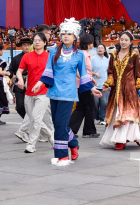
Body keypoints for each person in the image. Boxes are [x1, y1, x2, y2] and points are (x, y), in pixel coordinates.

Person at [34, 18, 95, 166]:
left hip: (68, 93)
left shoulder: (79, 54)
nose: (65, 36)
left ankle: (62, 156)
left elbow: (83, 74)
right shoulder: (53, 51)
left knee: (61, 125)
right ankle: (73, 143)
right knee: (58, 125)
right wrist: (39, 83)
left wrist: (92, 88)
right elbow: (48, 70)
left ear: (75, 37)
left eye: (69, 34)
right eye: (64, 33)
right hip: (54, 91)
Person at [100, 31, 140, 150]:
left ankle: (135, 137)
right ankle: (121, 140)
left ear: (131, 42)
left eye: (126, 40)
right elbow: (110, 72)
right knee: (118, 113)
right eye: (122, 39)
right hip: (116, 91)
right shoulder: (114, 54)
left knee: (129, 114)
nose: (123, 42)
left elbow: (137, 74)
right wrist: (107, 84)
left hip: (130, 90)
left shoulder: (134, 56)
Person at [14, 32, 54, 154]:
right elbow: (19, 71)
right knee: (33, 119)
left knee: (36, 119)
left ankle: (31, 144)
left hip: (44, 92)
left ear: (45, 43)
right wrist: (20, 79)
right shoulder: (27, 56)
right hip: (29, 92)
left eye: (39, 40)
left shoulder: (50, 56)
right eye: (35, 40)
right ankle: (51, 136)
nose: (36, 42)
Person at [69, 34, 100, 139]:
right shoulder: (84, 54)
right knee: (91, 107)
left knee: (81, 107)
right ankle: (88, 131)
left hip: (81, 83)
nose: (93, 44)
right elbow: (80, 70)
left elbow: (85, 71)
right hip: (84, 84)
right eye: (92, 42)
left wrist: (91, 78)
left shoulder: (81, 53)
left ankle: (71, 129)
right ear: (88, 43)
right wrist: (88, 81)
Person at [7, 37, 30, 119]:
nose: (27, 47)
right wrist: (10, 74)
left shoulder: (35, 57)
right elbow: (10, 70)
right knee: (20, 106)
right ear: (21, 46)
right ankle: (28, 121)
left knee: (32, 106)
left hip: (32, 83)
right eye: (24, 45)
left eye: (28, 45)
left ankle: (30, 123)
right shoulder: (16, 58)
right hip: (19, 84)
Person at [90, 44, 109, 123]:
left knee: (104, 102)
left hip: (104, 84)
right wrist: (95, 74)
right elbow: (89, 70)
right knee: (95, 102)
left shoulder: (107, 59)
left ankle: (102, 118)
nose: (100, 49)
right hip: (95, 85)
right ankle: (96, 117)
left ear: (104, 50)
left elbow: (108, 71)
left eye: (102, 48)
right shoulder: (93, 59)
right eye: (98, 48)